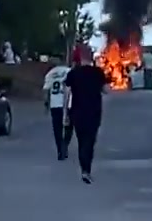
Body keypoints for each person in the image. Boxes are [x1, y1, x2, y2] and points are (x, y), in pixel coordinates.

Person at [65, 47, 108, 184]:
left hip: (77, 111)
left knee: (81, 140)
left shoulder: (73, 73)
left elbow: (67, 94)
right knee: (90, 141)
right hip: (94, 111)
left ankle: (84, 168)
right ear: (91, 57)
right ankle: (86, 170)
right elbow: (104, 90)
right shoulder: (98, 72)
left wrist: (66, 112)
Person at [43, 55, 73, 161]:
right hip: (68, 104)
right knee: (69, 126)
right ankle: (65, 144)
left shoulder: (50, 74)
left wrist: (46, 104)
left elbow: (46, 90)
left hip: (55, 104)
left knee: (57, 128)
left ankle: (60, 149)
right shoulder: (69, 72)